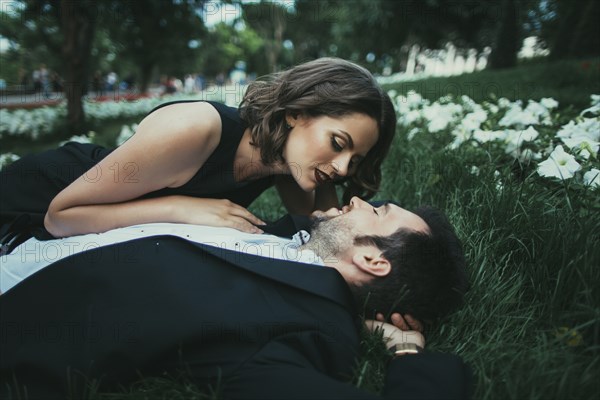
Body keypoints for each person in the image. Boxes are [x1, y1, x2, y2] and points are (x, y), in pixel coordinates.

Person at [0, 197, 470, 398]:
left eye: (378, 211)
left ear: (373, 260)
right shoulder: (284, 238)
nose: (361, 201)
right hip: (23, 232)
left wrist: (406, 351)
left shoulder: (303, 328)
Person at [0, 58, 396, 243]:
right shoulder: (196, 129)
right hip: (32, 203)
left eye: (355, 160)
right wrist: (182, 210)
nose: (343, 167)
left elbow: (321, 226)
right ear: (296, 112)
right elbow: (61, 218)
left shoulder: (283, 164)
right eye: (338, 143)